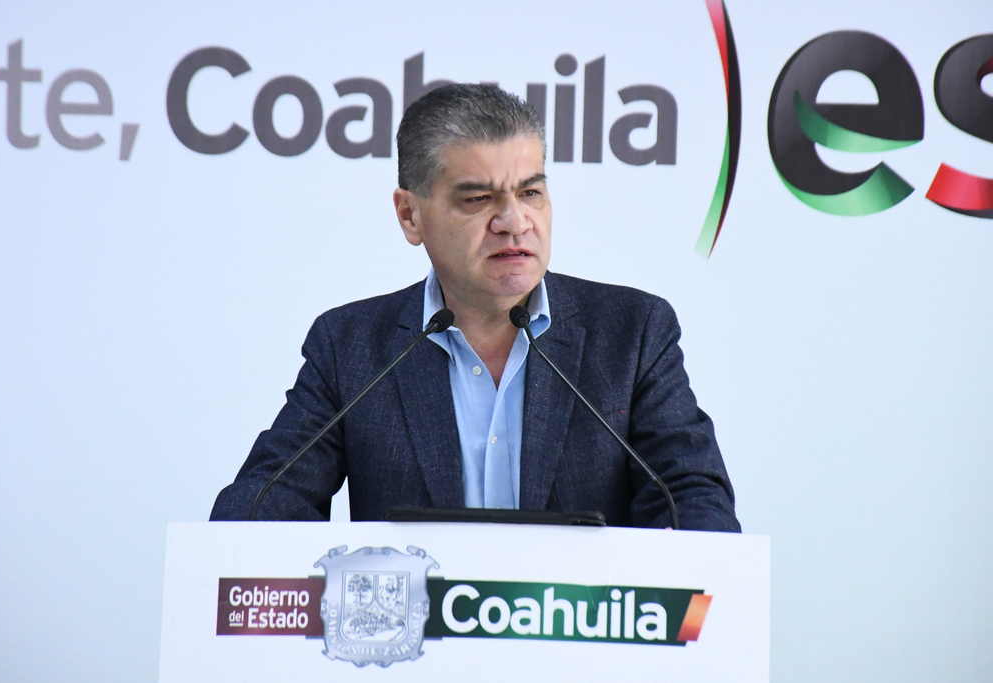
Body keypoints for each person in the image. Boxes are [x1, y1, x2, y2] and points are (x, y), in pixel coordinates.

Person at [210, 83, 740, 531]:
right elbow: (262, 506)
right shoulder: (350, 346)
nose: (514, 221)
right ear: (410, 216)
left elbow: (695, 504)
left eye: (530, 193)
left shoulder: (633, 333)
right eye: (478, 199)